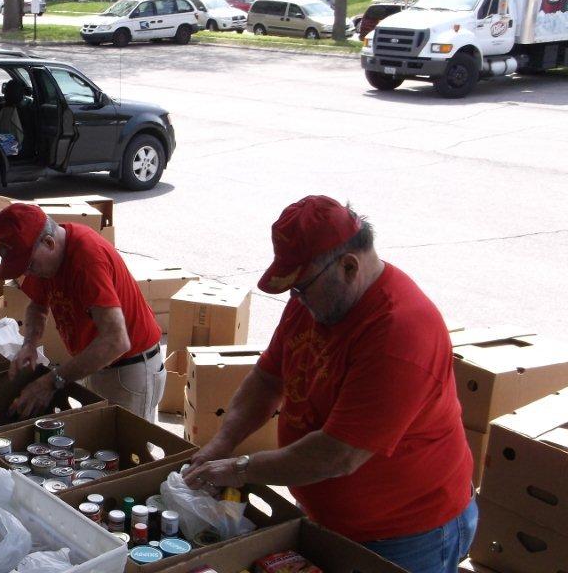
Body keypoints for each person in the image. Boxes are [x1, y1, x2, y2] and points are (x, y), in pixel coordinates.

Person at [181, 196, 476, 573]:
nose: (295, 300)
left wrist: (240, 468)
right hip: (331, 517)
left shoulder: (400, 332)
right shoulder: (317, 299)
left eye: (301, 288)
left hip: (406, 533)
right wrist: (222, 442)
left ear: (349, 266)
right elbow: (266, 380)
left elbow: (337, 455)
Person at [0, 203, 164, 421]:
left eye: (29, 265)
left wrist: (51, 382)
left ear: (49, 242)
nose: (27, 271)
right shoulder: (46, 259)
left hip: (129, 369)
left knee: (128, 450)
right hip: (96, 363)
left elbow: (116, 341)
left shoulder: (87, 260)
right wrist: (29, 345)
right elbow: (37, 305)